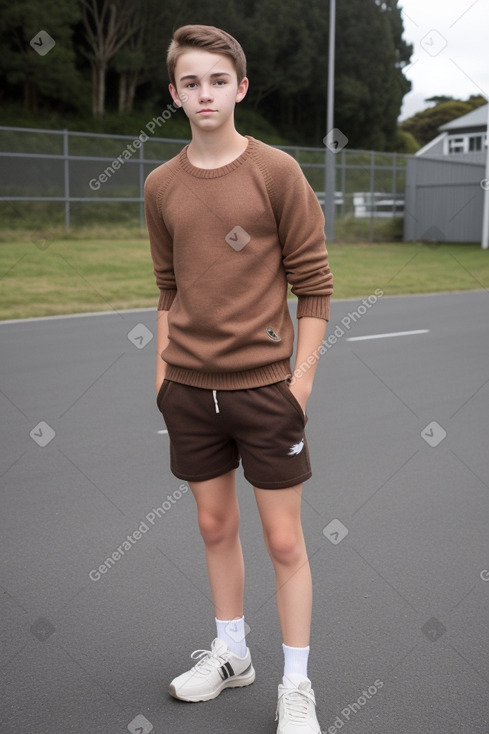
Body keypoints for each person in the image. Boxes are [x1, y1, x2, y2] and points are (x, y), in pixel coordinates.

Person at [144, 24, 333, 734]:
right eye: (190, 83)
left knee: (284, 542)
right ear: (174, 94)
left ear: (240, 87)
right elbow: (166, 287)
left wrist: (299, 385)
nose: (204, 93)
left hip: (265, 392)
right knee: (213, 524)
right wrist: (161, 374)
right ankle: (230, 654)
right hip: (190, 393)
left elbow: (314, 288)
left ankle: (296, 684)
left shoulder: (276, 171)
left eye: (217, 80)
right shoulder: (160, 184)